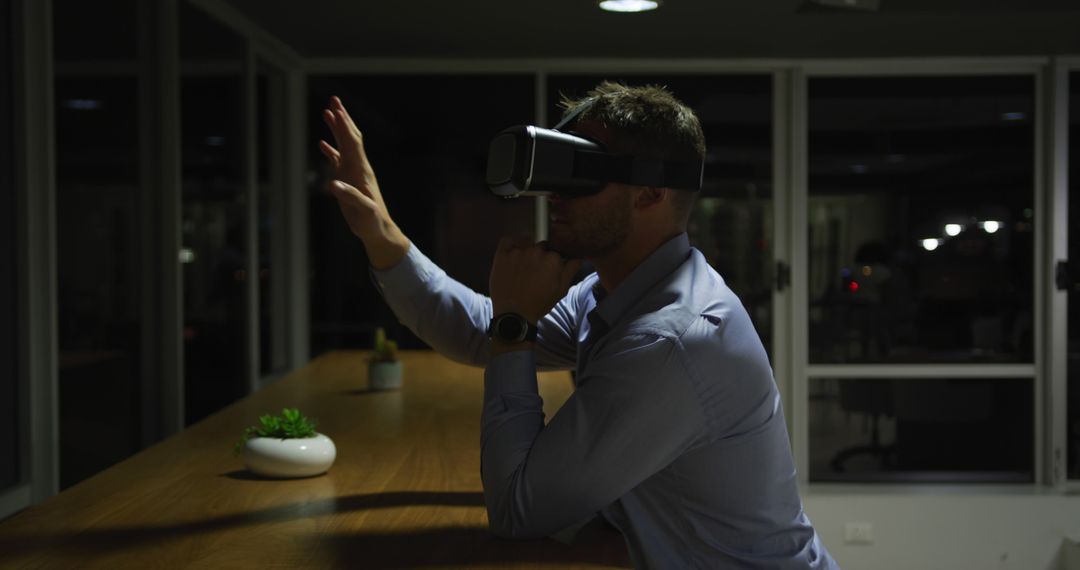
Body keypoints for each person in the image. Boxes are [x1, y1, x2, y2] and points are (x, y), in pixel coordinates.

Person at [318, 82, 838, 569]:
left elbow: (517, 512)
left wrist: (516, 323)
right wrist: (382, 233)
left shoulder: (671, 339)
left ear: (651, 191)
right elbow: (483, 332)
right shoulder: (615, 291)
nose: (553, 194)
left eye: (582, 169)